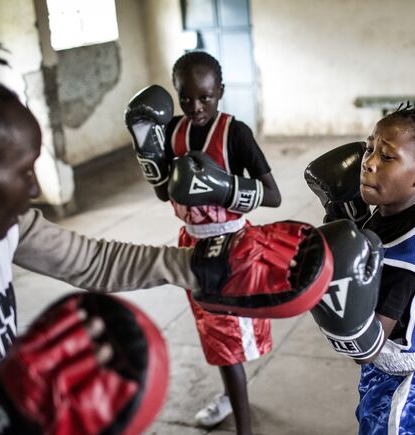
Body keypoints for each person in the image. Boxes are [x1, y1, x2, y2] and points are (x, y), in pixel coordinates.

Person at [0, 15, 330, 435]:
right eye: (22, 172)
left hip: (218, 235)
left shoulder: (7, 229)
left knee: (231, 342)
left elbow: (94, 261)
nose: (34, 188)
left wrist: (199, 263)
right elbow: (166, 191)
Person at [125, 51, 281, 433]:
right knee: (215, 338)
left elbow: (273, 194)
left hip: (231, 244)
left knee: (228, 345)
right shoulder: (173, 130)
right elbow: (166, 193)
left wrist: (226, 187)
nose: (196, 107)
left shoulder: (235, 132)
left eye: (206, 98)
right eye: (187, 98)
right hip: (190, 244)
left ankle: (244, 426)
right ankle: (232, 397)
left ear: (221, 92)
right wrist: (149, 151)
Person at [305, 104, 415, 434]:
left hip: (408, 383)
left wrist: (323, 288)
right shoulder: (402, 208)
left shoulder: (405, 260)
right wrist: (344, 216)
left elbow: (368, 346)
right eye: (370, 147)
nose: (369, 162)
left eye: (387, 156)